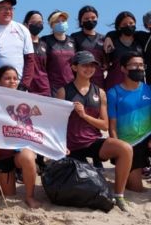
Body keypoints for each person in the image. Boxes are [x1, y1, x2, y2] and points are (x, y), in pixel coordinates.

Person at [55, 50, 134, 211]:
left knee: (125, 148)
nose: (89, 68)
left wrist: (84, 115)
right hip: (71, 146)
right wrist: (60, 145)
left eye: (92, 65)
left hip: (92, 141)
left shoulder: (100, 93)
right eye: (85, 65)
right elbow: (56, 123)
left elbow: (104, 125)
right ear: (74, 67)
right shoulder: (63, 92)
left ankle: (119, 195)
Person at [0, 65, 43, 208]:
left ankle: (29, 196)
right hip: (2, 154)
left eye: (15, 78)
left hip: (19, 151)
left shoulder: (25, 98)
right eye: (7, 78)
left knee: (28, 157)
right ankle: (0, 180)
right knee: (8, 194)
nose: (12, 81)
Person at [107, 53, 151, 193]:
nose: (139, 68)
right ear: (123, 69)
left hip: (148, 139)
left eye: (141, 65)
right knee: (136, 189)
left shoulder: (148, 89)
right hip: (130, 145)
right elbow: (112, 126)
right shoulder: (113, 93)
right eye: (134, 65)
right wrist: (117, 148)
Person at [103, 11, 150, 92]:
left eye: (131, 23)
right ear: (119, 27)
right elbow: (106, 62)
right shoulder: (112, 41)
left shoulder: (142, 38)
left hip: (138, 86)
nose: (129, 26)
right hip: (115, 85)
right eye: (124, 24)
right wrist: (108, 37)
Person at [70, 5, 108, 90]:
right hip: (81, 81)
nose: (90, 20)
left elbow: (107, 62)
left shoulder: (103, 38)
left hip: (99, 81)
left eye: (93, 17)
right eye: (86, 19)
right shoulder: (75, 37)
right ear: (81, 21)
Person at [41, 10, 76, 95]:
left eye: (63, 21)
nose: (61, 23)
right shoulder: (45, 40)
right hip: (53, 87)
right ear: (51, 25)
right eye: (57, 21)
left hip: (71, 85)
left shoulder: (72, 40)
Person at [22, 10, 51, 96]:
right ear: (26, 24)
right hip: (27, 88)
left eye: (40, 22)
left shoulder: (45, 44)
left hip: (44, 88)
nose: (37, 25)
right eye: (34, 22)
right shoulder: (21, 43)